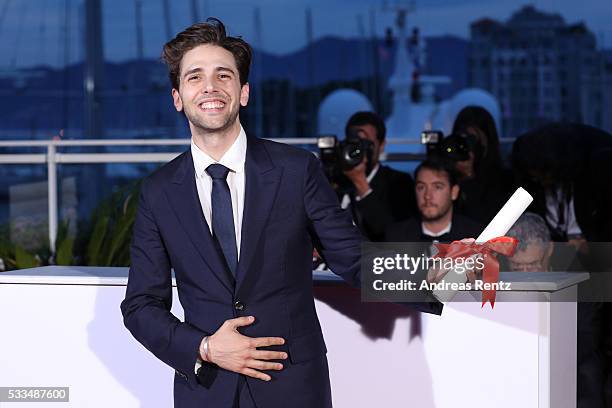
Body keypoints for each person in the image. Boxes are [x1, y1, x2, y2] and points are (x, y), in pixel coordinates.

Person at [120, 19, 442, 408]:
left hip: (292, 387)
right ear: (177, 96)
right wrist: (204, 348)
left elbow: (351, 258)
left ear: (243, 93)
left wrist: (441, 271)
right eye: (194, 77)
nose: (210, 86)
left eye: (224, 75)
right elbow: (141, 305)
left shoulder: (295, 170)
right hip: (207, 392)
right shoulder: (158, 192)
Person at [513, 123, 612, 408]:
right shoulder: (536, 181)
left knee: (589, 354)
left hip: (598, 266)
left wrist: (590, 245)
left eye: (543, 174)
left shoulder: (600, 166)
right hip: (558, 265)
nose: (540, 180)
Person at [340, 111, 417, 241]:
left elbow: (395, 236)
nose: (358, 150)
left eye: (365, 144)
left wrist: (361, 183)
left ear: (381, 146)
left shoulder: (399, 182)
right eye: (353, 143)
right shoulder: (334, 179)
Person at [385, 157, 482, 243]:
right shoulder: (396, 236)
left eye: (437, 187)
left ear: (454, 192)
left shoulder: (476, 236)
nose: (427, 196)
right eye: (421, 187)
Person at [449, 106, 514, 225]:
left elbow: (484, 223)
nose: (466, 147)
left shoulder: (506, 181)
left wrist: (469, 177)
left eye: (472, 140)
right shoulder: (446, 176)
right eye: (461, 140)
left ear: (487, 142)